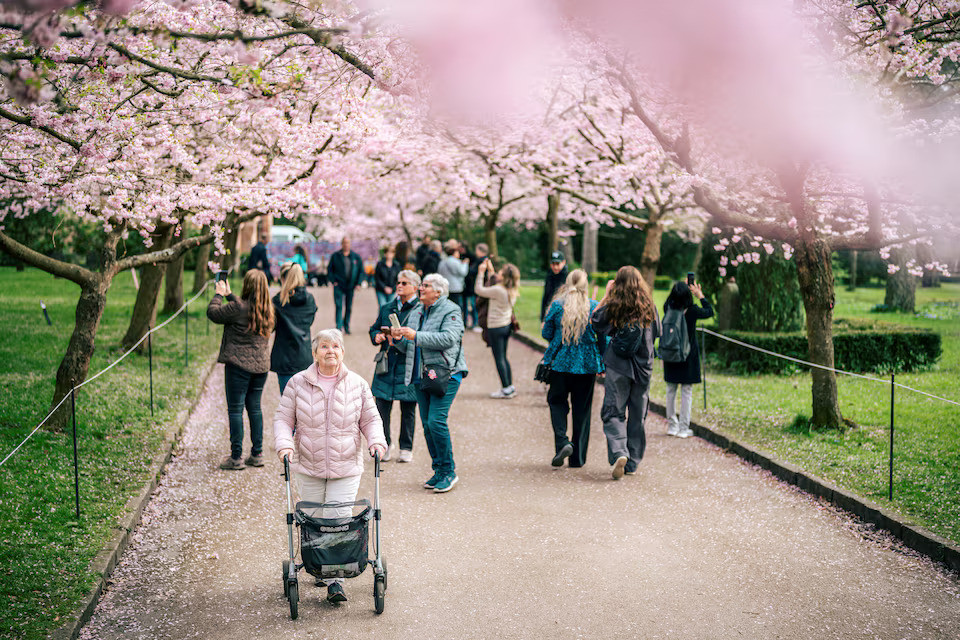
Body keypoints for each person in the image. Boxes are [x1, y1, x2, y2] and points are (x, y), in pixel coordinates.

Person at [274, 329, 387, 603]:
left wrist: (377, 442)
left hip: (345, 466)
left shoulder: (357, 384)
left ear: (343, 352)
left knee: (337, 522)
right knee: (313, 522)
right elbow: (283, 419)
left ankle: (335, 580)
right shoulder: (297, 383)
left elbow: (370, 420)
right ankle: (318, 567)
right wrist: (284, 444)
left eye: (336, 346)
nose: (330, 351)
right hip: (308, 466)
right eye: (324, 346)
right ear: (315, 353)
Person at [391, 274, 468, 493]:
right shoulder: (417, 311)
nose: (421, 289)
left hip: (446, 373)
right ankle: (439, 470)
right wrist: (399, 339)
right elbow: (411, 345)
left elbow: (449, 339)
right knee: (426, 424)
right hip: (421, 375)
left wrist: (415, 335)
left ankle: (449, 471)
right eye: (422, 285)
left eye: (425, 286)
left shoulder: (451, 310)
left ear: (438, 291)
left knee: (436, 421)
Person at [591, 266, 661, 480]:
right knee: (638, 415)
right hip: (643, 367)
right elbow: (656, 331)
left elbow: (595, 321)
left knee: (613, 411)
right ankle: (632, 461)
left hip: (619, 365)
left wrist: (606, 295)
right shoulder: (649, 306)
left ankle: (620, 451)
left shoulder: (616, 304)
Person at [206, 269, 275, 470]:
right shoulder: (268, 309)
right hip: (260, 366)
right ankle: (257, 454)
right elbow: (243, 308)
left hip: (238, 365)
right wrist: (229, 295)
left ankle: (236, 457)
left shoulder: (237, 308)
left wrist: (219, 294)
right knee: (255, 408)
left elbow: (213, 313)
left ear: (246, 285)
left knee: (235, 409)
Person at [541, 269, 605, 468]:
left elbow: (546, 332)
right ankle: (577, 458)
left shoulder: (558, 306)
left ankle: (562, 441)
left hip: (560, 362)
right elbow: (603, 336)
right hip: (586, 365)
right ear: (586, 286)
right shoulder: (594, 307)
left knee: (557, 401)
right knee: (582, 409)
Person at [368, 270, 422, 463]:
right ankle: (385, 444)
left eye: (405, 283)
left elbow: (421, 339)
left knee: (408, 408)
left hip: (408, 364)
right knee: (382, 407)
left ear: (415, 287)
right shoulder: (387, 307)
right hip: (387, 364)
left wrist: (400, 340)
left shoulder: (421, 310)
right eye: (398, 282)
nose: (399, 286)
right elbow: (374, 327)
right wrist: (376, 336)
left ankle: (406, 447)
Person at [663, 280, 714, 438]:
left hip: (671, 355)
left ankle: (672, 426)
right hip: (688, 356)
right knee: (686, 392)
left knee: (671, 390)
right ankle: (684, 428)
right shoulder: (692, 311)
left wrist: (679, 287)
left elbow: (668, 301)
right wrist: (699, 295)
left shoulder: (668, 308)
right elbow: (709, 311)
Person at [475, 258, 520, 399]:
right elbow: (495, 281)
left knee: (499, 358)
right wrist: (490, 270)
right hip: (506, 326)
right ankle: (510, 386)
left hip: (496, 327)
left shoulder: (499, 290)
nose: (498, 275)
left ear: (504, 277)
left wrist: (480, 273)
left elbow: (479, 290)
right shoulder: (510, 289)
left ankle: (505, 389)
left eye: (500, 273)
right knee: (504, 357)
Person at [271, 263, 318, 394]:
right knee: (304, 403)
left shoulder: (279, 300)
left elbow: (271, 326)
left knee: (287, 403)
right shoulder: (310, 299)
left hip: (284, 356)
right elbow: (310, 321)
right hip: (304, 355)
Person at [327, 237, 364, 334]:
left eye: (348, 243)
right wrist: (333, 281)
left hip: (350, 286)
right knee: (339, 306)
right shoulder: (335, 256)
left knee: (349, 307)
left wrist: (358, 283)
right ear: (341, 244)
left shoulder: (355, 257)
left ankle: (346, 326)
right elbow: (330, 270)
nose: (346, 244)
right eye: (344, 243)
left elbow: (361, 271)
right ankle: (338, 327)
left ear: (350, 244)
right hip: (338, 285)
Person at [437, 239, 469, 320]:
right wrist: (465, 264)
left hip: (446, 288)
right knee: (456, 307)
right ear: (454, 253)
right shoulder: (454, 261)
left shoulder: (443, 261)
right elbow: (463, 272)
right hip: (455, 288)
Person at [464, 242, 488, 331]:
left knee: (475, 305)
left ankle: (476, 323)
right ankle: (476, 323)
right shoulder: (484, 260)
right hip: (478, 286)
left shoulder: (481, 261)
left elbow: (471, 271)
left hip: (477, 286)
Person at [541, 250, 568, 324]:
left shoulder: (568, 278)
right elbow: (546, 296)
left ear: (564, 262)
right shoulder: (549, 275)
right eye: (553, 264)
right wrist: (543, 318)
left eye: (558, 264)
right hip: (549, 311)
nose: (555, 267)